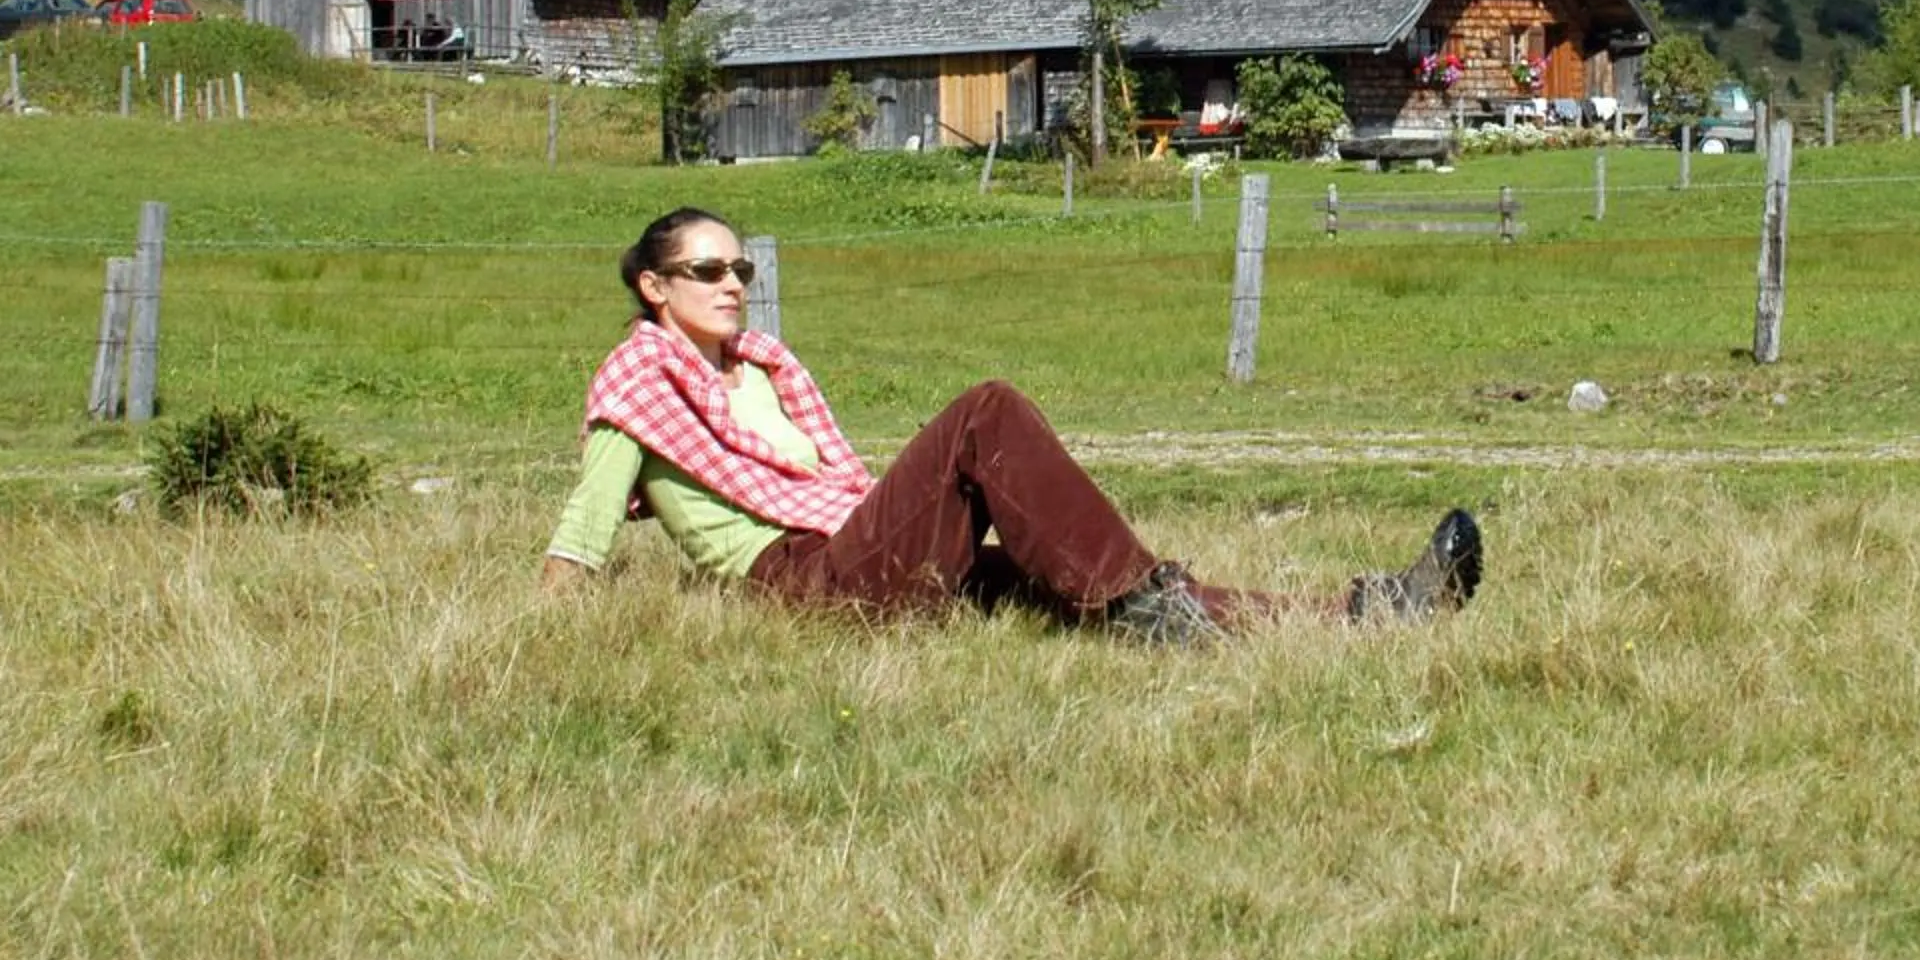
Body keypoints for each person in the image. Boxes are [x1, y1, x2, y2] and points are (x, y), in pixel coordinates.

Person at [542, 206, 1481, 641]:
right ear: (653, 287)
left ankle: (1369, 615)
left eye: (739, 268)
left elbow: (836, 485)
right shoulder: (636, 386)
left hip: (850, 552)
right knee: (984, 412)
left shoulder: (763, 370)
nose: (733, 285)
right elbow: (583, 533)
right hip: (806, 586)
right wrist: (543, 625)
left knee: (1074, 586)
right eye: (707, 272)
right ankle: (1156, 607)